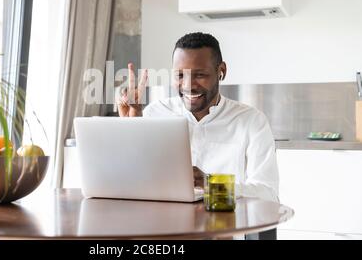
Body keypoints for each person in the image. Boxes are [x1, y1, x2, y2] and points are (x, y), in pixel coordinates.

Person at [116, 32, 279, 202]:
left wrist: (212, 184)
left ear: (221, 71)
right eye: (180, 75)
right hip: (164, 223)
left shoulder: (252, 122)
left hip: (226, 226)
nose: (188, 86)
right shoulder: (154, 113)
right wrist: (130, 128)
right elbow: (132, 181)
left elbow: (268, 194)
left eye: (200, 75)